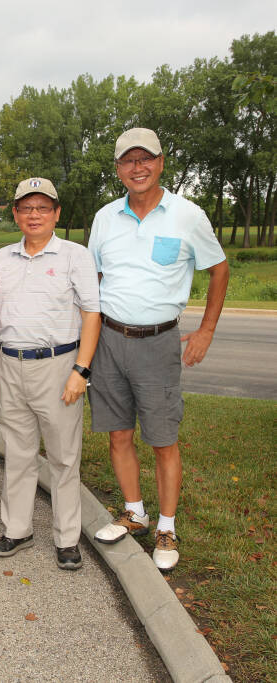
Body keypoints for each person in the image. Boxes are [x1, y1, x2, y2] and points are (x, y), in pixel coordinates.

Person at [88, 128, 229, 571]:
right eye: (128, 161)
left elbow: (219, 269)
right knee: (118, 433)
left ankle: (166, 526)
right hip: (109, 339)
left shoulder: (187, 216)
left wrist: (206, 329)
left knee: (163, 439)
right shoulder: (105, 217)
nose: (138, 168)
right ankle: (136, 512)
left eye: (145, 159)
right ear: (118, 170)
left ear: (161, 162)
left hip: (159, 342)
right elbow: (91, 280)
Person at [0, 178, 101, 570]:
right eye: (26, 208)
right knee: (18, 453)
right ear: (15, 213)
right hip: (9, 365)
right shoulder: (0, 259)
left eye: (43, 208)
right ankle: (17, 530)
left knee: (64, 458)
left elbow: (92, 315)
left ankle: (67, 539)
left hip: (58, 366)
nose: (34, 215)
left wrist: (81, 370)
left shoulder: (74, 257)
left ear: (56, 213)